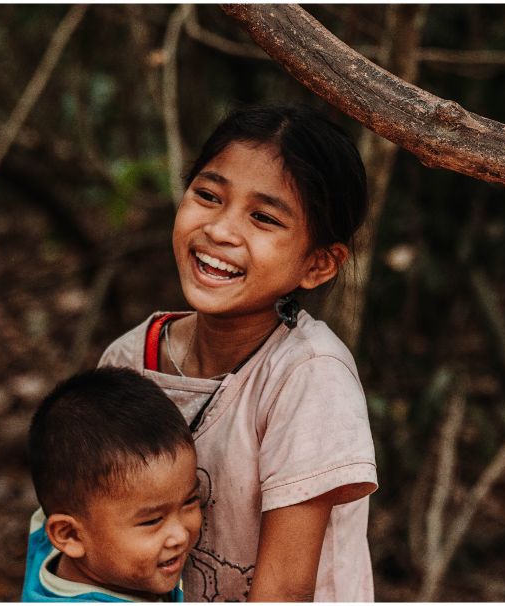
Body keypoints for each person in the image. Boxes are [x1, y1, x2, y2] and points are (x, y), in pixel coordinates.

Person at [99, 103, 378, 601]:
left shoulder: (308, 377)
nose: (221, 231)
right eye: (208, 195)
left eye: (264, 218)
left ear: (318, 264)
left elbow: (284, 592)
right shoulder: (128, 360)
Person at [22, 367, 202, 602]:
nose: (179, 535)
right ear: (70, 535)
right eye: (152, 520)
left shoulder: (52, 534)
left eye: (190, 501)